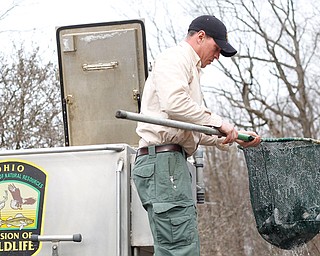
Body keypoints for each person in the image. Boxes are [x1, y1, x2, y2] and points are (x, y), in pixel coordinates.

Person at [132, 15, 261, 256]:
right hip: (163, 163)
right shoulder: (175, 58)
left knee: (181, 244)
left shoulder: (190, 69)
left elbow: (192, 127)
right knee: (179, 249)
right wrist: (219, 122)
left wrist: (236, 136)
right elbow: (174, 103)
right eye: (217, 48)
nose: (217, 56)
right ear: (201, 36)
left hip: (168, 163)